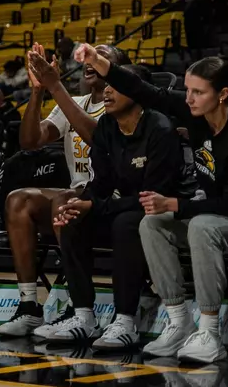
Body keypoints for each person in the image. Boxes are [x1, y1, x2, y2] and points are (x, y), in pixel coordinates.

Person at [71, 52, 228, 363]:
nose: (188, 98)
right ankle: (179, 321)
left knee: (202, 225)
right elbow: (143, 90)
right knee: (152, 223)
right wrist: (97, 60)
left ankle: (210, 331)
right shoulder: (196, 113)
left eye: (198, 92)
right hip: (217, 212)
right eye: (187, 89)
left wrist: (175, 204)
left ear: (223, 95)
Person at [44, 61, 183, 350]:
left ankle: (126, 321)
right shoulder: (108, 126)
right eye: (107, 85)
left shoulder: (160, 129)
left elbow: (152, 198)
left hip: (162, 213)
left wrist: (96, 207)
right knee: (71, 216)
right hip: (123, 209)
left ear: (137, 92)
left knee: (126, 223)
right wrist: (83, 204)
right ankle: (83, 316)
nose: (106, 91)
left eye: (115, 86)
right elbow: (101, 184)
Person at [0, 42, 131, 336]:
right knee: (18, 200)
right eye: (89, 57)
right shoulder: (76, 101)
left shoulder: (126, 103)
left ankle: (77, 306)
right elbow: (31, 141)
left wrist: (56, 86)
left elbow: (97, 138)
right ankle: (29, 306)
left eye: (102, 57)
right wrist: (37, 91)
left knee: (64, 200)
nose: (90, 62)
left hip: (114, 199)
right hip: (78, 195)